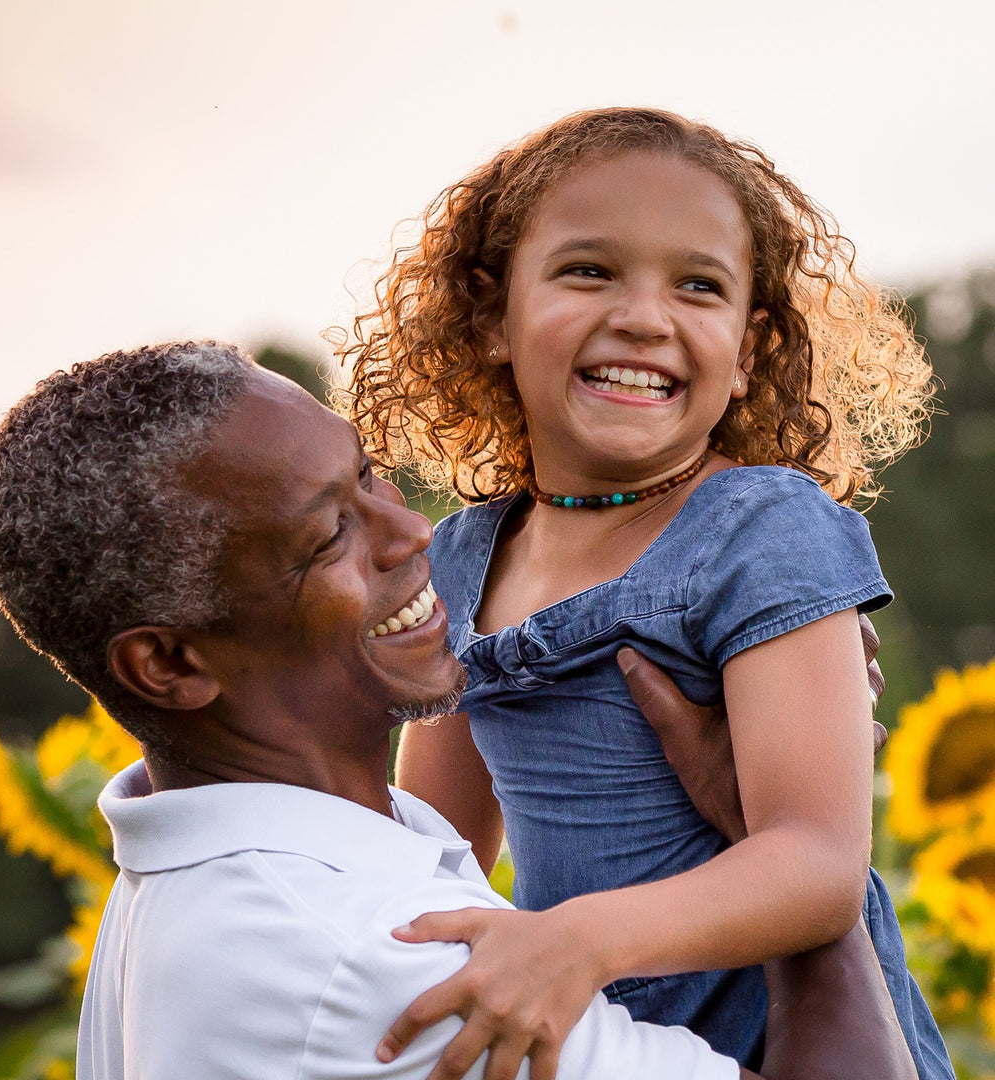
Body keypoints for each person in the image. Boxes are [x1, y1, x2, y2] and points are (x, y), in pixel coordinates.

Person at [0, 342, 916, 1080]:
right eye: (332, 532)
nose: (414, 531)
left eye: (370, 475)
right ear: (170, 663)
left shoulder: (203, 889)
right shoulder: (376, 963)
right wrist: (776, 841)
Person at [340, 107, 952, 1079]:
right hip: (587, 1044)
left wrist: (580, 940)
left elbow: (815, 865)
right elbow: (429, 849)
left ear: (749, 349)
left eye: (698, 286)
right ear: (492, 317)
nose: (643, 315)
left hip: (796, 1042)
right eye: (589, 270)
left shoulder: (763, 527)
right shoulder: (460, 560)